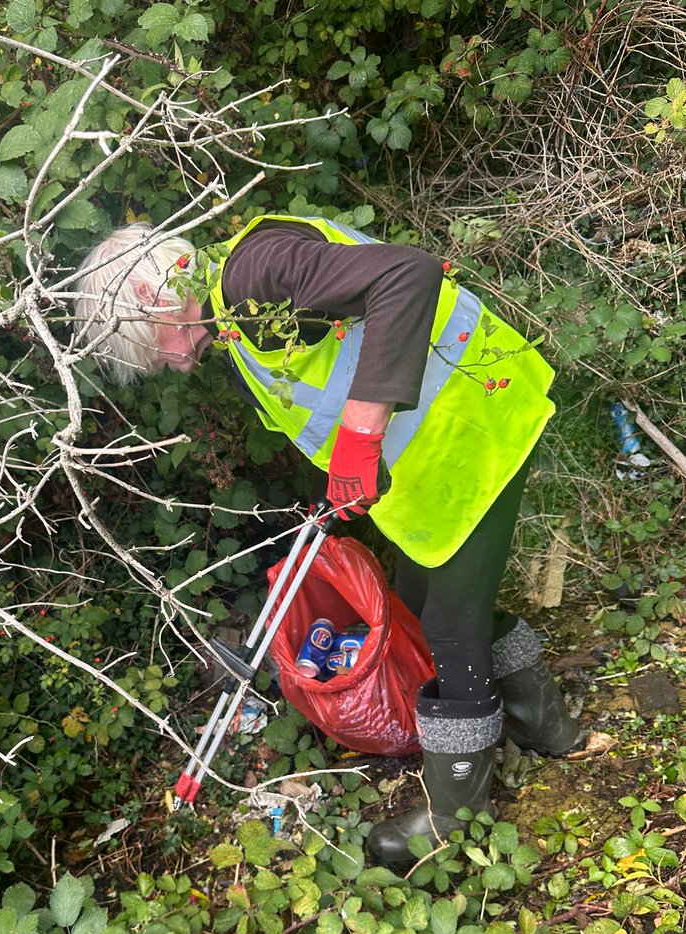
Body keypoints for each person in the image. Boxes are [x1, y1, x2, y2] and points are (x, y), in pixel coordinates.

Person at [74, 216, 585, 862]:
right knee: (417, 603)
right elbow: (329, 390)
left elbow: (409, 273)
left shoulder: (253, 274)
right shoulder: (234, 331)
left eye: (154, 350)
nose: (171, 365)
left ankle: (457, 821)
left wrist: (363, 434)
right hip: (438, 459)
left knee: (452, 624)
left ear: (154, 297)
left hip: (479, 421)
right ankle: (546, 726)